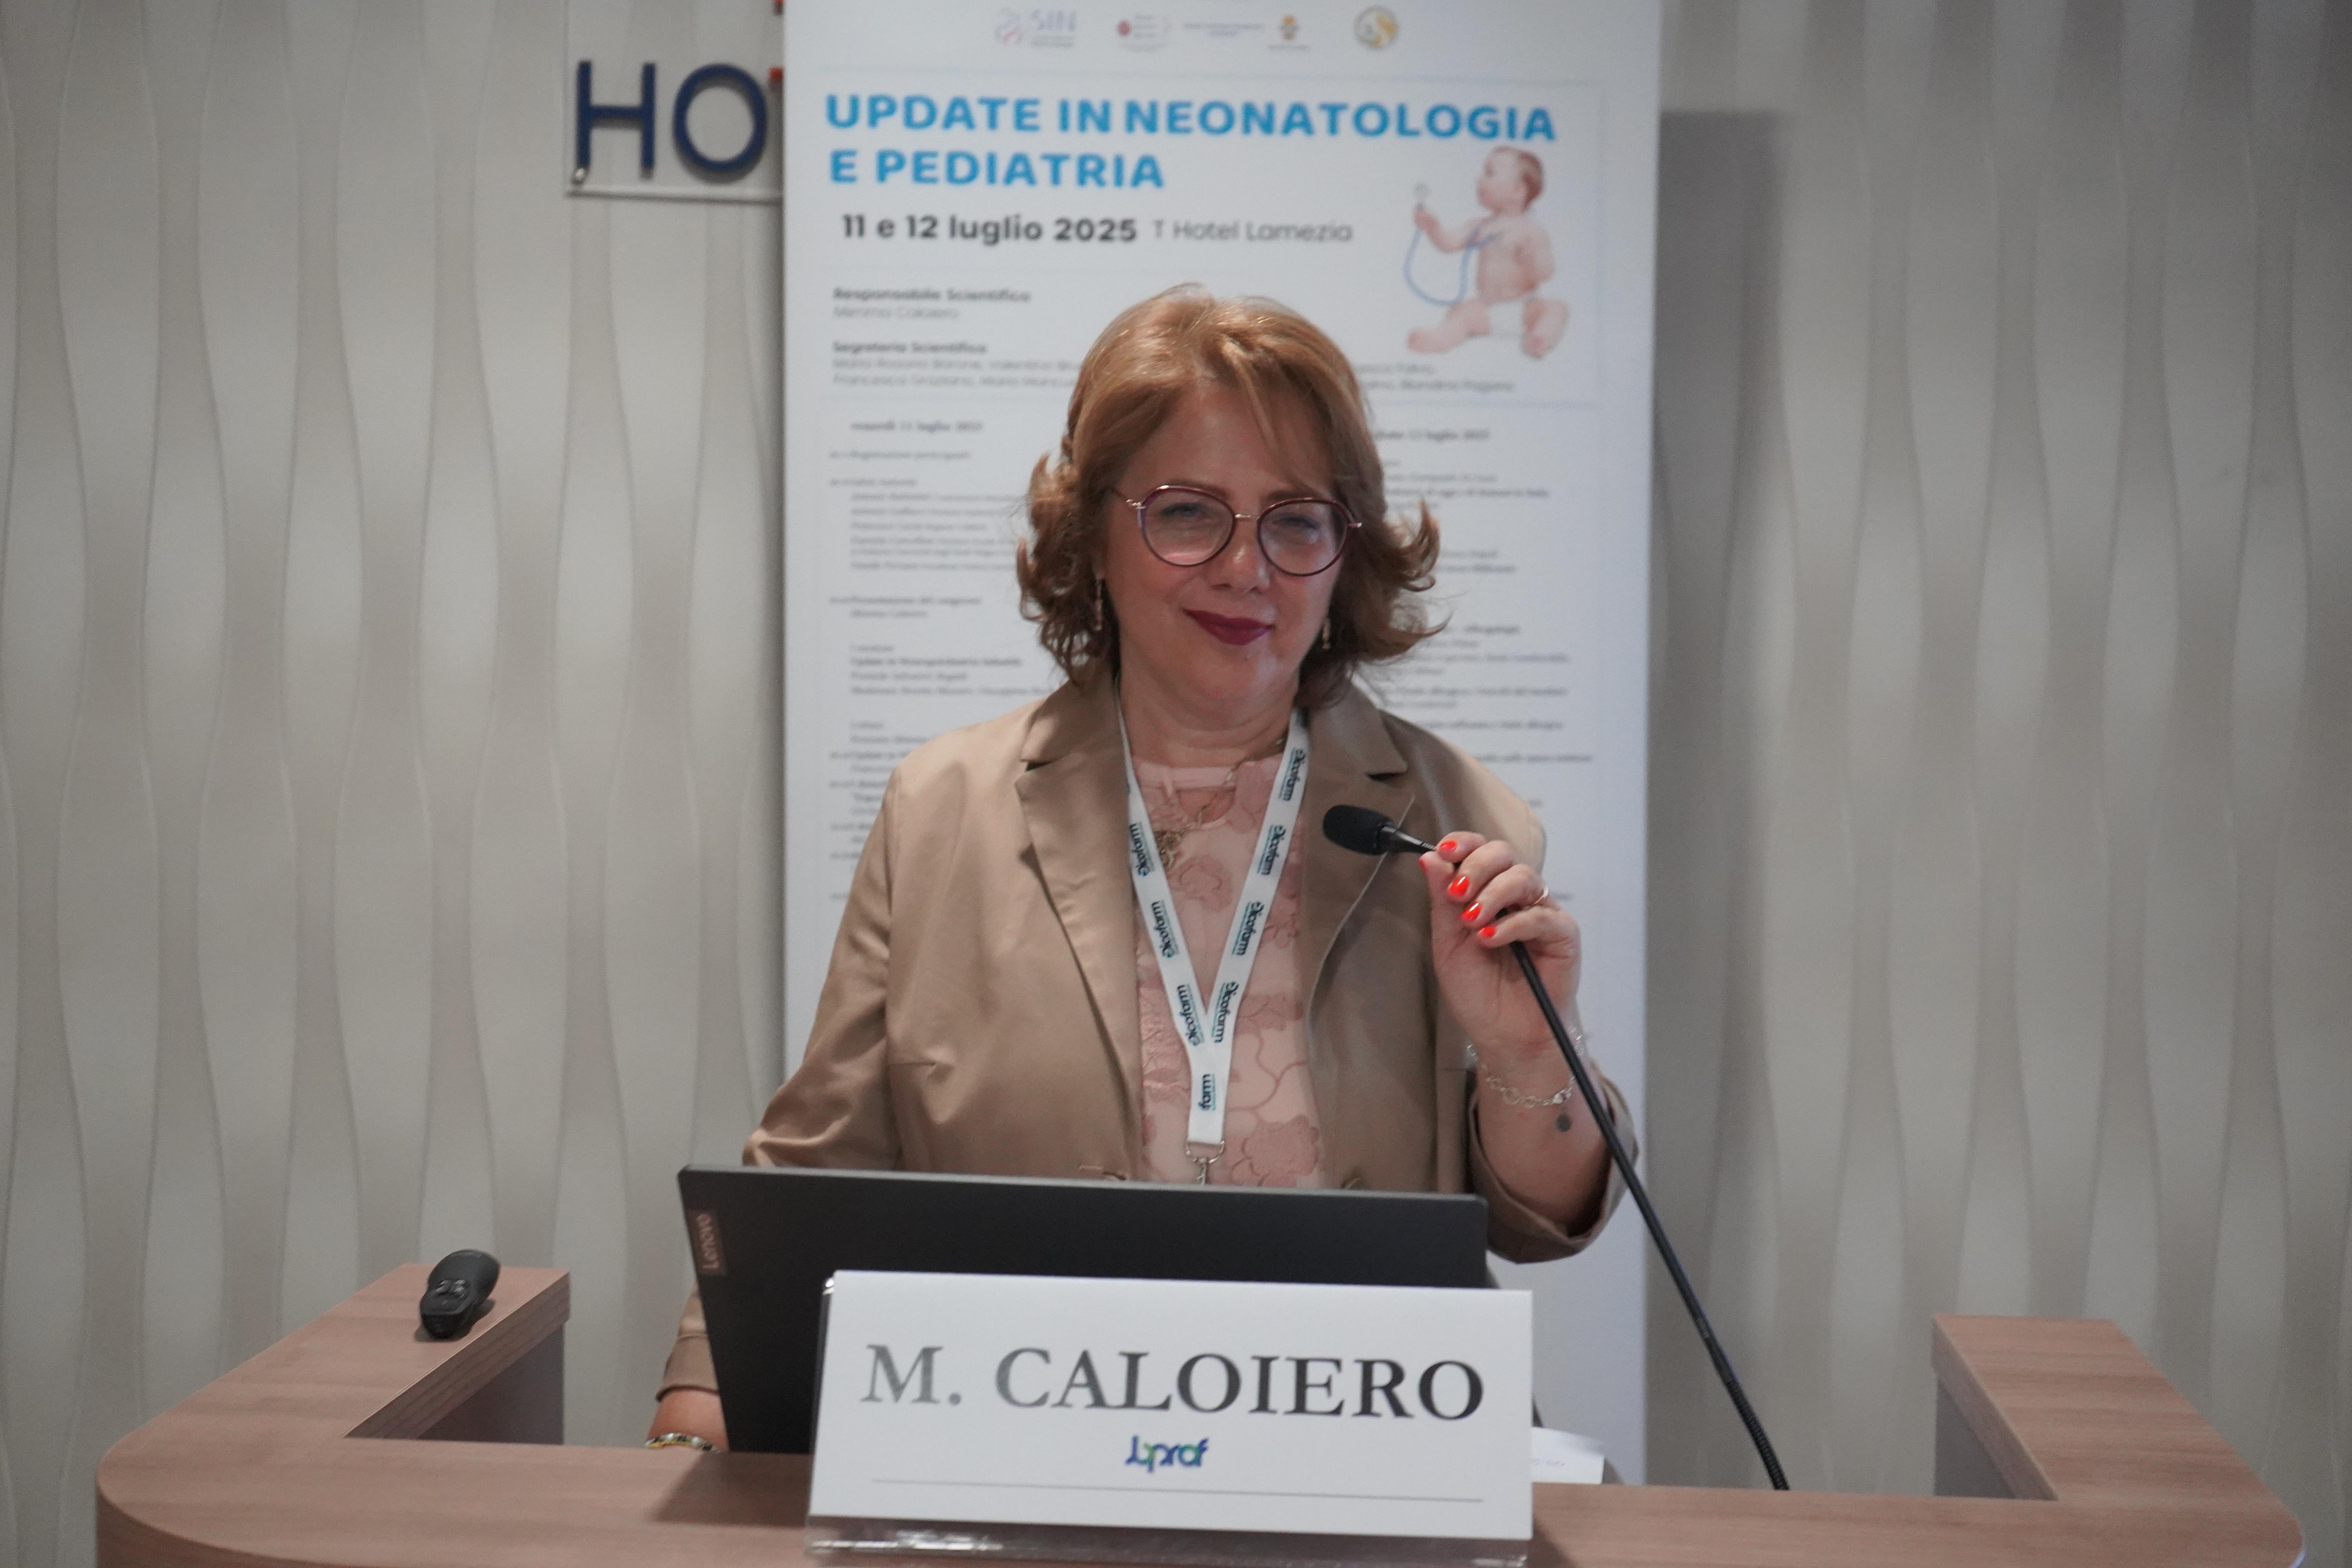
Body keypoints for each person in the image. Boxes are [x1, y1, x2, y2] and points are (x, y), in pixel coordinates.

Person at [646, 286, 1629, 1450]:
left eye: (1296, 521)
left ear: (1344, 553)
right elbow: (817, 1178)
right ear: (1094, 536)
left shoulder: (1459, 818)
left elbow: (1542, 1218)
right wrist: (696, 1422)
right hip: (1027, 1441)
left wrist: (1530, 1054)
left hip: (1360, 1450)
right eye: (1187, 513)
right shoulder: (942, 810)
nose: (1246, 567)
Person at [1406, 147, 1569, 358]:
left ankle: (1540, 339)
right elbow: (1448, 244)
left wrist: (1531, 258)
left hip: (1524, 308)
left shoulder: (1530, 231)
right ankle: (1440, 339)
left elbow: (1546, 273)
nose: (1479, 180)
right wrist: (1433, 227)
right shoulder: (1480, 227)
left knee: (1556, 310)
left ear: (1517, 190)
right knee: (1461, 312)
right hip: (1486, 308)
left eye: (1490, 174)